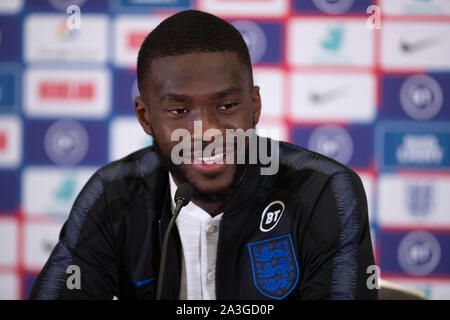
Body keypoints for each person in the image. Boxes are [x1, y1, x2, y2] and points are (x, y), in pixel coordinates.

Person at [30, 10, 378, 300]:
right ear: (146, 117)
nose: (207, 132)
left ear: (254, 107)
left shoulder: (322, 191)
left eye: (226, 105)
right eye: (179, 111)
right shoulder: (111, 195)